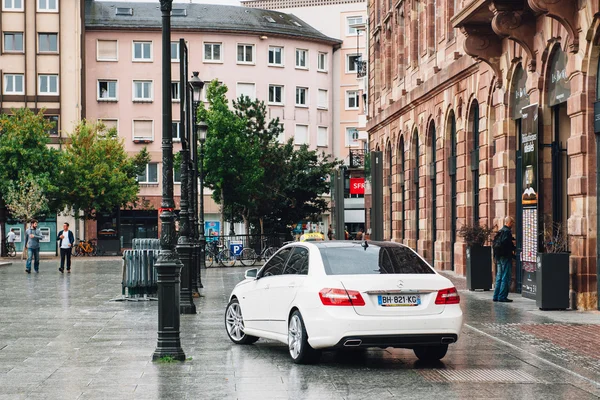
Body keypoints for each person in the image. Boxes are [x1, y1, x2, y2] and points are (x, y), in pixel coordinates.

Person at [493, 216, 516, 303]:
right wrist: (514, 248)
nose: (513, 225)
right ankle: (502, 296)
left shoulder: (500, 231)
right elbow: (507, 246)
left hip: (499, 257)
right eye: (512, 223)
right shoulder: (507, 232)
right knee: (505, 277)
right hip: (505, 257)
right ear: (509, 223)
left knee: (499, 276)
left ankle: (496, 296)